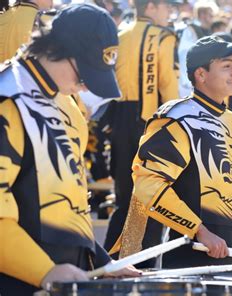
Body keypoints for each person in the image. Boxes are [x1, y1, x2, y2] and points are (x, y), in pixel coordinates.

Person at [0, 4, 139, 295]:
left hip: (61, 279)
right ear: (58, 48)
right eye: (84, 74)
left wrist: (100, 261)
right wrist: (44, 271)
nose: (85, 87)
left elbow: (69, 210)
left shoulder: (69, 108)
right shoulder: (6, 99)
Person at [110, 36, 232, 271]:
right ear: (201, 74)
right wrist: (199, 230)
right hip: (188, 257)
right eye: (227, 66)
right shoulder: (176, 118)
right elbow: (148, 185)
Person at [103, 0, 181, 256]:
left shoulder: (119, 34)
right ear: (151, 7)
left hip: (118, 121)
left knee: (124, 199)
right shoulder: (163, 37)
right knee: (151, 198)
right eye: (166, 7)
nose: (170, 13)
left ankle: (110, 263)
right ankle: (141, 267)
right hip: (151, 122)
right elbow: (168, 85)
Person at [177, 0, 217, 98]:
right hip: (188, 85)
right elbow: (184, 56)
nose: (212, 19)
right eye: (210, 15)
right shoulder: (190, 30)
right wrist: (189, 83)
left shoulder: (208, 32)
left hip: (203, 81)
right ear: (202, 15)